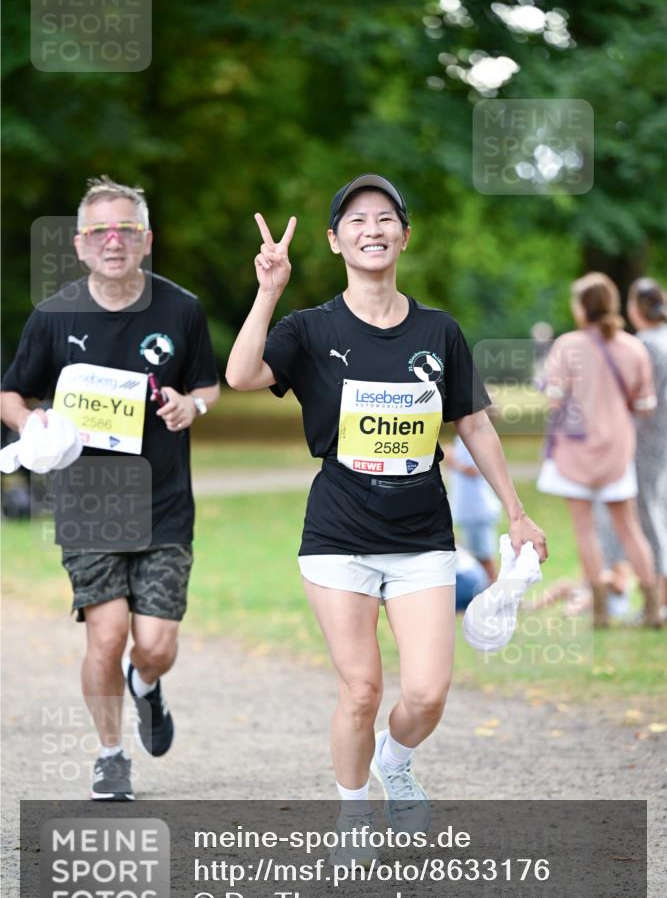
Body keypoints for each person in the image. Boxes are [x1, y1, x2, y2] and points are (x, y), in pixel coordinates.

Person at [226, 174, 546, 853]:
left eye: (384, 218)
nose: (371, 229)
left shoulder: (438, 330)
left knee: (426, 693)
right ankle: (351, 816)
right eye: (355, 220)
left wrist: (515, 513)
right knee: (362, 689)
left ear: (404, 234)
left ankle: (394, 761)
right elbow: (241, 376)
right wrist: (268, 291)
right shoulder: (308, 328)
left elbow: (475, 426)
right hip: (338, 534)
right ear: (335, 240)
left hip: (421, 536)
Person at [1, 175, 220, 799]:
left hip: (165, 500)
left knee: (153, 645)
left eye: (126, 229)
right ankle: (110, 753)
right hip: (88, 499)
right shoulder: (54, 315)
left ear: (146, 240)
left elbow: (208, 385)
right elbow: (11, 393)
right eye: (100, 231)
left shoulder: (182, 309)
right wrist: (30, 421)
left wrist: (191, 407)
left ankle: (146, 685)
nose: (113, 240)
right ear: (79, 244)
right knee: (107, 632)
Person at [536, 271, 660, 628]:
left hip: (575, 453)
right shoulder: (634, 347)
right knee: (630, 527)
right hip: (618, 451)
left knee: (585, 529)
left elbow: (554, 401)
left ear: (582, 308)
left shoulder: (569, 346)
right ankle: (651, 606)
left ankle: (601, 610)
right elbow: (646, 405)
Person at [627, 278, 667, 617]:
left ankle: (659, 596)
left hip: (649, 440)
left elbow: (642, 400)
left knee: (649, 515)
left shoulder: (645, 345)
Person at [444, 435, 501, 580]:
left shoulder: (478, 437)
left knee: (484, 558)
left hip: (477, 509)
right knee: (473, 555)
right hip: (467, 510)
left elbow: (477, 469)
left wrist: (452, 460)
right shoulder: (463, 437)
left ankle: (496, 597)